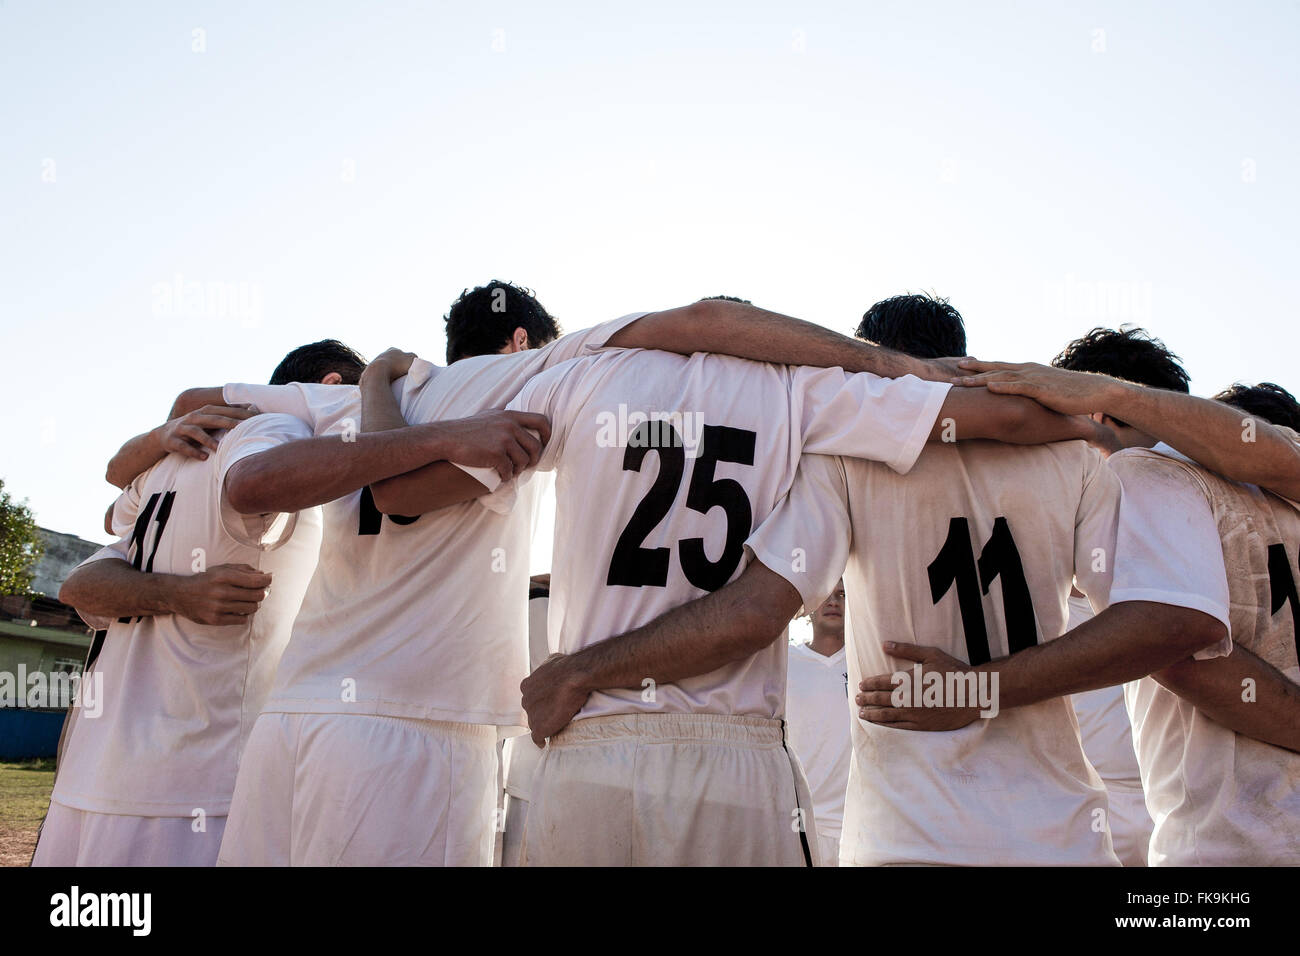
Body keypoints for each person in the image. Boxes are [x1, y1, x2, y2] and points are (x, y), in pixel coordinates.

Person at [138, 288, 963, 866]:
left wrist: (374, 382)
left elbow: (380, 487)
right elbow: (714, 323)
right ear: (525, 341)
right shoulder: (561, 372)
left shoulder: (378, 397)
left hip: (313, 710)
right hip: (445, 727)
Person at [488, 335, 1100, 865]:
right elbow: (1166, 623)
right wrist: (1104, 416)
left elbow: (757, 609)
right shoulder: (1075, 458)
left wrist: (578, 671)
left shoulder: (843, 451)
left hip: (903, 835)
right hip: (1056, 832)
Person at [31, 341, 365, 866]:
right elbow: (251, 484)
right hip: (198, 785)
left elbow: (87, 569)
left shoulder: (171, 459)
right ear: (329, 388)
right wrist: (180, 593)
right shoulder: (276, 432)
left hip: (95, 777)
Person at [784, 581, 851, 867]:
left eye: (843, 594)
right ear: (810, 606)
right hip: (795, 824)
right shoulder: (785, 662)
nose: (833, 601)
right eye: (826, 594)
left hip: (854, 825)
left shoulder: (865, 663)